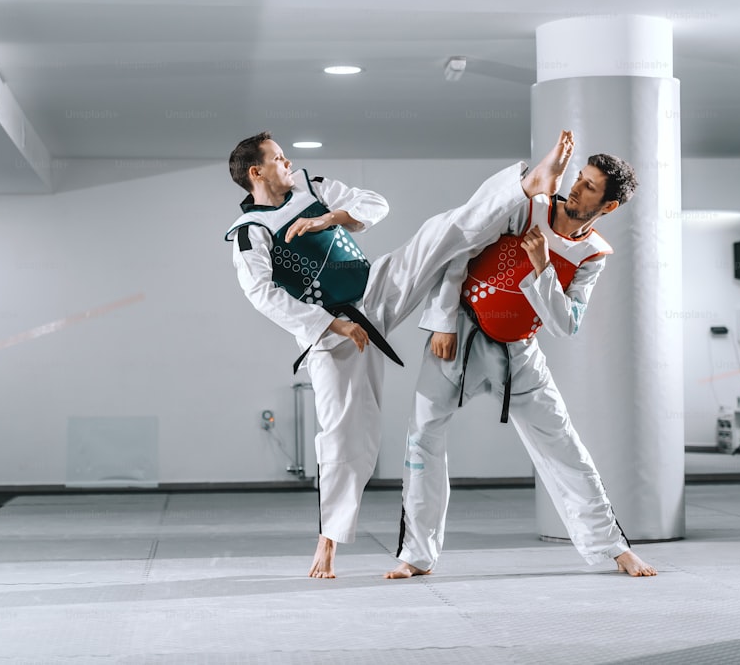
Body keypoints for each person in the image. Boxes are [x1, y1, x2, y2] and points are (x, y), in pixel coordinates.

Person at [226, 129, 577, 578]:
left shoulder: (311, 185)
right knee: (346, 435)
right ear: (256, 172)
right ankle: (327, 541)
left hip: (374, 290)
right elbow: (263, 295)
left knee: (440, 233)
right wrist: (332, 323)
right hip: (334, 335)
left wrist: (327, 218)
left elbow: (375, 204)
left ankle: (526, 186)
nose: (287, 162)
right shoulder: (248, 232)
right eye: (278, 158)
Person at [385, 152, 657, 580]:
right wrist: (441, 322)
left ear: (609, 207)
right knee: (422, 440)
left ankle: (612, 546)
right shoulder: (529, 205)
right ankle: (416, 555)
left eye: (589, 187)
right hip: (461, 335)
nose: (576, 188)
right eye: (579, 178)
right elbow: (460, 251)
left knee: (566, 447)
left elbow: (565, 324)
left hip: (520, 353)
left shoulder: (592, 254)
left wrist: (543, 268)